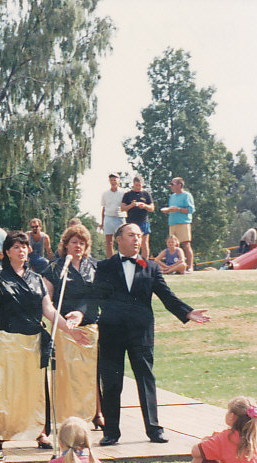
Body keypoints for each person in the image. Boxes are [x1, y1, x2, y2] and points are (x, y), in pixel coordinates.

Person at [0, 231, 83, 451]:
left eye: (24, 246)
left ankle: (39, 432)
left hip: (33, 340)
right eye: (16, 247)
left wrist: (69, 330)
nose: (21, 250)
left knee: (34, 389)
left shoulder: (37, 279)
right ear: (7, 252)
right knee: (3, 387)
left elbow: (49, 310)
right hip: (6, 339)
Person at [95, 223, 210, 446]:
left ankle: (154, 429)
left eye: (138, 236)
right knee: (111, 382)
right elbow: (94, 297)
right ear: (118, 239)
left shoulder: (150, 267)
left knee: (146, 379)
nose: (136, 239)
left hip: (140, 334)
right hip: (111, 333)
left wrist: (187, 312)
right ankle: (110, 432)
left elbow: (167, 296)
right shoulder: (104, 267)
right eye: (131, 235)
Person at [41, 224, 100, 433]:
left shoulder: (94, 266)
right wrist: (66, 324)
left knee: (88, 375)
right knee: (67, 375)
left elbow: (96, 295)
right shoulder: (55, 268)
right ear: (65, 245)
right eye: (74, 242)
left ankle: (90, 415)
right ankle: (67, 418)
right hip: (64, 328)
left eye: (82, 243)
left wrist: (81, 313)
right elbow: (46, 299)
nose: (78, 246)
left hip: (89, 328)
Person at [160, 396, 257, 463]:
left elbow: (196, 451)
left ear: (232, 416)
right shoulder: (253, 438)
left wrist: (207, 440)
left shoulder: (226, 437)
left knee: (202, 458)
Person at [162, 177, 195, 273]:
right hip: (172, 223)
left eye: (172, 184)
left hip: (183, 222)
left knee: (186, 244)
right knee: (174, 247)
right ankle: (176, 268)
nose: (171, 186)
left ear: (179, 185)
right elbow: (171, 209)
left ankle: (189, 266)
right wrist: (168, 210)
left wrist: (178, 209)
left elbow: (190, 210)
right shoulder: (172, 196)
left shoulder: (186, 195)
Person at [121, 176, 154, 258]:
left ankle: (144, 264)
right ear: (133, 184)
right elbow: (122, 208)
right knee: (131, 244)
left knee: (144, 244)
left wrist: (145, 206)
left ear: (142, 184)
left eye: (139, 185)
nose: (138, 187)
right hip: (131, 223)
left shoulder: (146, 194)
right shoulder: (128, 195)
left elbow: (152, 208)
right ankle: (132, 261)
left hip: (143, 222)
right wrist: (131, 205)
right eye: (136, 185)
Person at [98, 173, 126, 257]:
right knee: (109, 242)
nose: (113, 182)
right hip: (108, 217)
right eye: (111, 180)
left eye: (115, 180)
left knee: (122, 240)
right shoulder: (105, 193)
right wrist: (102, 222)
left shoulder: (124, 193)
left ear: (119, 181)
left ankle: (123, 259)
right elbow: (103, 208)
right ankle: (111, 261)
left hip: (120, 218)